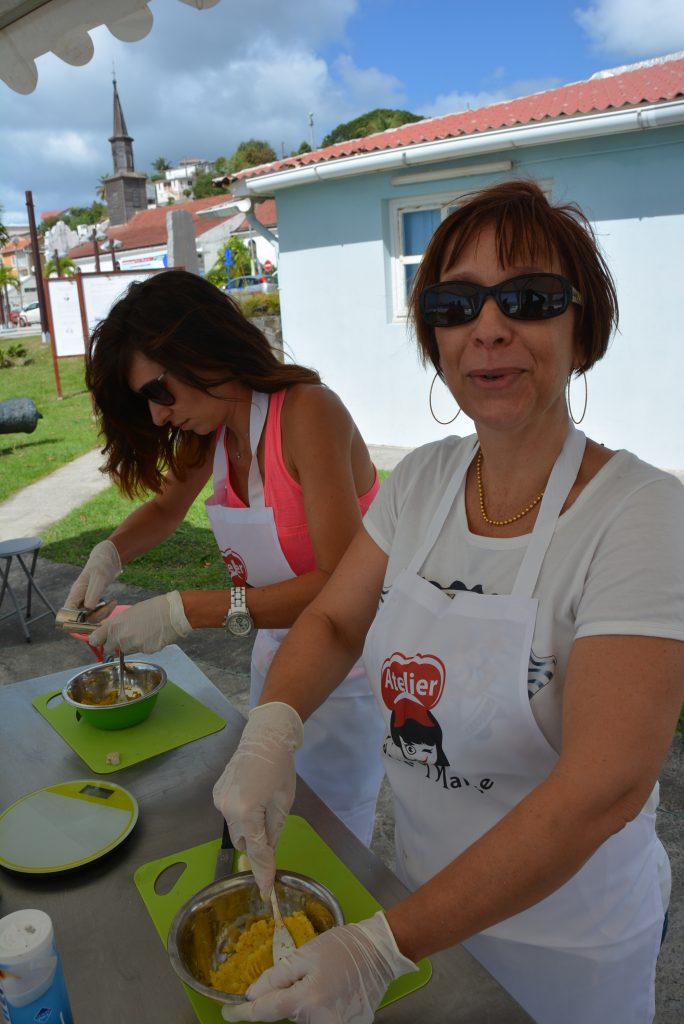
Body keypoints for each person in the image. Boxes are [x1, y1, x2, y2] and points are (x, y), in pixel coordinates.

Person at [213, 180, 684, 1024]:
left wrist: (380, 946)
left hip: (568, 944)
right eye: (456, 303)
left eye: (529, 298)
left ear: (583, 328)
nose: (489, 327)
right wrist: (272, 728)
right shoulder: (424, 481)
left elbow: (604, 787)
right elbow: (335, 618)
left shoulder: (643, 512)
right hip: (426, 899)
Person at [64, 269, 385, 846]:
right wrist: (107, 554)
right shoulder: (210, 433)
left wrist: (185, 609)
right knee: (263, 820)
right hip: (274, 651)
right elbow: (164, 512)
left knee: (331, 837)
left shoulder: (308, 414)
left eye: (159, 391)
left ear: (201, 347)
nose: (159, 415)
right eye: (147, 403)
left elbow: (343, 585)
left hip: (349, 670)